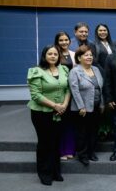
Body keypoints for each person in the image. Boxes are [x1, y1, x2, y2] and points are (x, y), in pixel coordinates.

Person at [27, 45, 70, 186]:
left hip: (61, 112)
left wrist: (63, 105)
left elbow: (68, 89)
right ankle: (44, 173)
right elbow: (36, 95)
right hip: (42, 113)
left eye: (55, 54)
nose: (53, 56)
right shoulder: (36, 71)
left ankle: (55, 171)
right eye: (50, 54)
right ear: (44, 56)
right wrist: (55, 106)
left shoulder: (64, 69)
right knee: (45, 142)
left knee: (56, 141)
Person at [69, 45, 104, 166]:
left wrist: (102, 104)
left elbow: (100, 88)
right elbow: (74, 90)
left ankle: (91, 152)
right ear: (79, 58)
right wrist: (81, 106)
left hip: (96, 106)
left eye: (90, 55)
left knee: (93, 131)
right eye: (86, 55)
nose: (89, 57)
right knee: (82, 132)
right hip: (82, 109)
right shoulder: (75, 71)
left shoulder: (96, 69)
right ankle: (82, 155)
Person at [54, 32, 76, 161]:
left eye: (66, 40)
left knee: (70, 123)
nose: (64, 42)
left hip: (72, 92)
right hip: (59, 92)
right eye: (61, 40)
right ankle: (61, 150)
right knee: (60, 123)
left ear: (70, 41)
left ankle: (69, 149)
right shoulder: (54, 54)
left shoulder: (73, 54)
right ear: (57, 42)